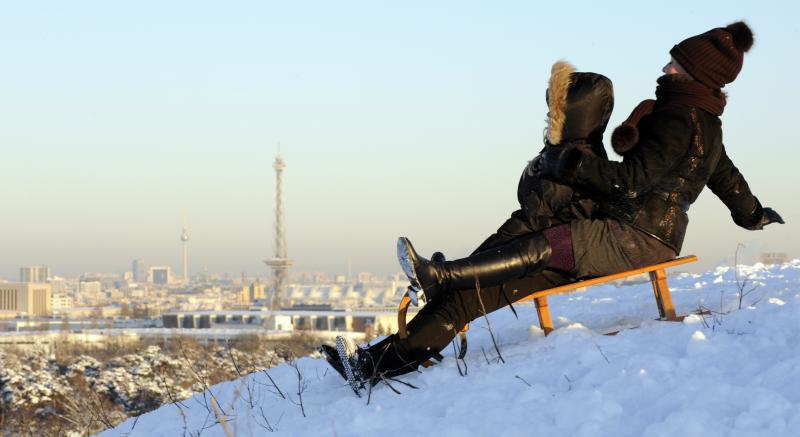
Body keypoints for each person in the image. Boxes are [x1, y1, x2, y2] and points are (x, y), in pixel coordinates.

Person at [324, 21, 783, 393]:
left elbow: (629, 183)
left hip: (637, 239)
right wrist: (753, 214)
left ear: (693, 75)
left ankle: (443, 275)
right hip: (626, 234)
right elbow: (727, 177)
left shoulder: (678, 121)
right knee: (478, 295)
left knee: (548, 243)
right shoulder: (703, 124)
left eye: (675, 64)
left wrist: (571, 162)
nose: (665, 68)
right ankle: (372, 365)